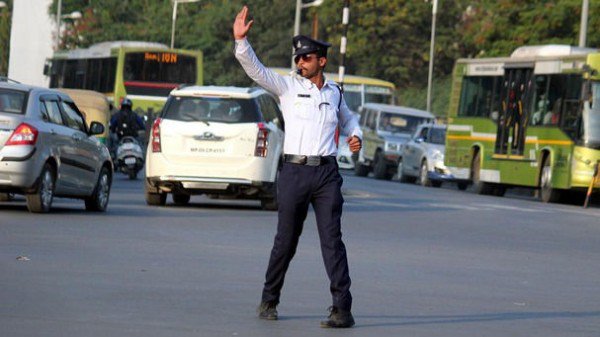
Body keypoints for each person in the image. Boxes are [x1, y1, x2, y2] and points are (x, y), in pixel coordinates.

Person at [233, 6, 362, 329]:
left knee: (333, 241)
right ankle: (269, 298)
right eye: (298, 59)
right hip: (294, 173)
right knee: (285, 241)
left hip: (326, 174)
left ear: (321, 61)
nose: (300, 63)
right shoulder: (288, 88)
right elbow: (257, 71)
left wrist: (356, 135)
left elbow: (349, 119)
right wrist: (241, 42)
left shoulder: (334, 92)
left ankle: (342, 309)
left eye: (306, 58)